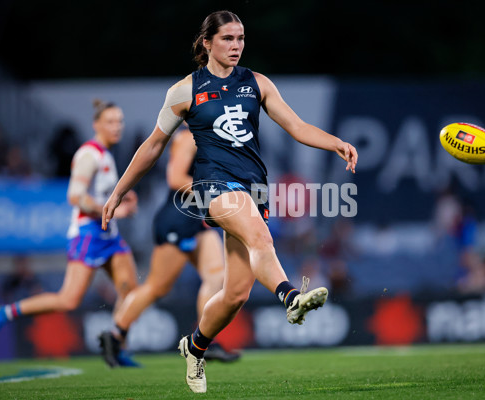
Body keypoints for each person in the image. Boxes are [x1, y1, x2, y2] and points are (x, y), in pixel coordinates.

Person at [102, 10, 358, 393]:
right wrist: (119, 190)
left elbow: (296, 126)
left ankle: (195, 346)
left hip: (254, 187)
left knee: (235, 293)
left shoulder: (256, 82)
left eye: (240, 39)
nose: (236, 46)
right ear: (207, 43)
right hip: (213, 185)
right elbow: (153, 145)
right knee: (260, 236)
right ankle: (291, 296)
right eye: (227, 39)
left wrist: (334, 141)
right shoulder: (185, 91)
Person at [0, 100, 139, 367]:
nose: (117, 127)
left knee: (132, 291)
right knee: (68, 300)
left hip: (108, 234)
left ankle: (116, 346)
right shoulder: (89, 154)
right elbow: (75, 196)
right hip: (88, 233)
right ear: (96, 125)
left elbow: (100, 194)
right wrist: (110, 209)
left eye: (120, 121)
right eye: (110, 122)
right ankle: (5, 312)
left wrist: (122, 198)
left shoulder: (106, 154)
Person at [98, 128, 239, 366]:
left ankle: (204, 342)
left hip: (195, 219)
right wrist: (213, 194)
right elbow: (175, 178)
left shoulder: (204, 136)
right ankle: (115, 335)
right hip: (177, 219)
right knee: (156, 287)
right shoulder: (188, 138)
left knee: (216, 276)